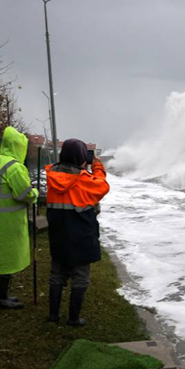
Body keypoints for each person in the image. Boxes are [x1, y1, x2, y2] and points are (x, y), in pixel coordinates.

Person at [46, 139, 110, 326]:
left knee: (57, 273)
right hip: (80, 235)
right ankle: (73, 318)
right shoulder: (84, 179)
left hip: (58, 234)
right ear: (82, 157)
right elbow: (102, 186)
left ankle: (53, 315)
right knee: (80, 276)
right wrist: (97, 167)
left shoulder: (52, 175)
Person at [0, 126, 38, 310]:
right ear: (19, 147)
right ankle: (0, 299)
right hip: (7, 222)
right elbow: (25, 194)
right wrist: (35, 192)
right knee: (4, 259)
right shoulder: (14, 167)